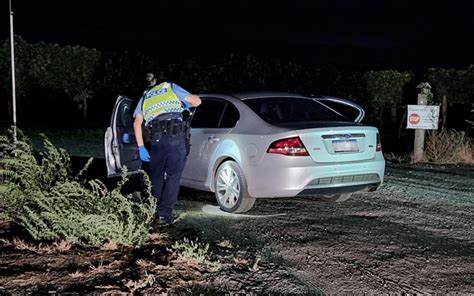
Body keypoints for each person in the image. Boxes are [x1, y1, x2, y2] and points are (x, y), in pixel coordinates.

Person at [133, 73, 201, 224]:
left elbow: (137, 123)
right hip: (175, 138)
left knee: (156, 177)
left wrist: (141, 147)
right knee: (173, 177)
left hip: (156, 141)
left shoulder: (145, 97)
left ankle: (153, 210)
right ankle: (164, 215)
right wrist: (189, 100)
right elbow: (197, 101)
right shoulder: (169, 87)